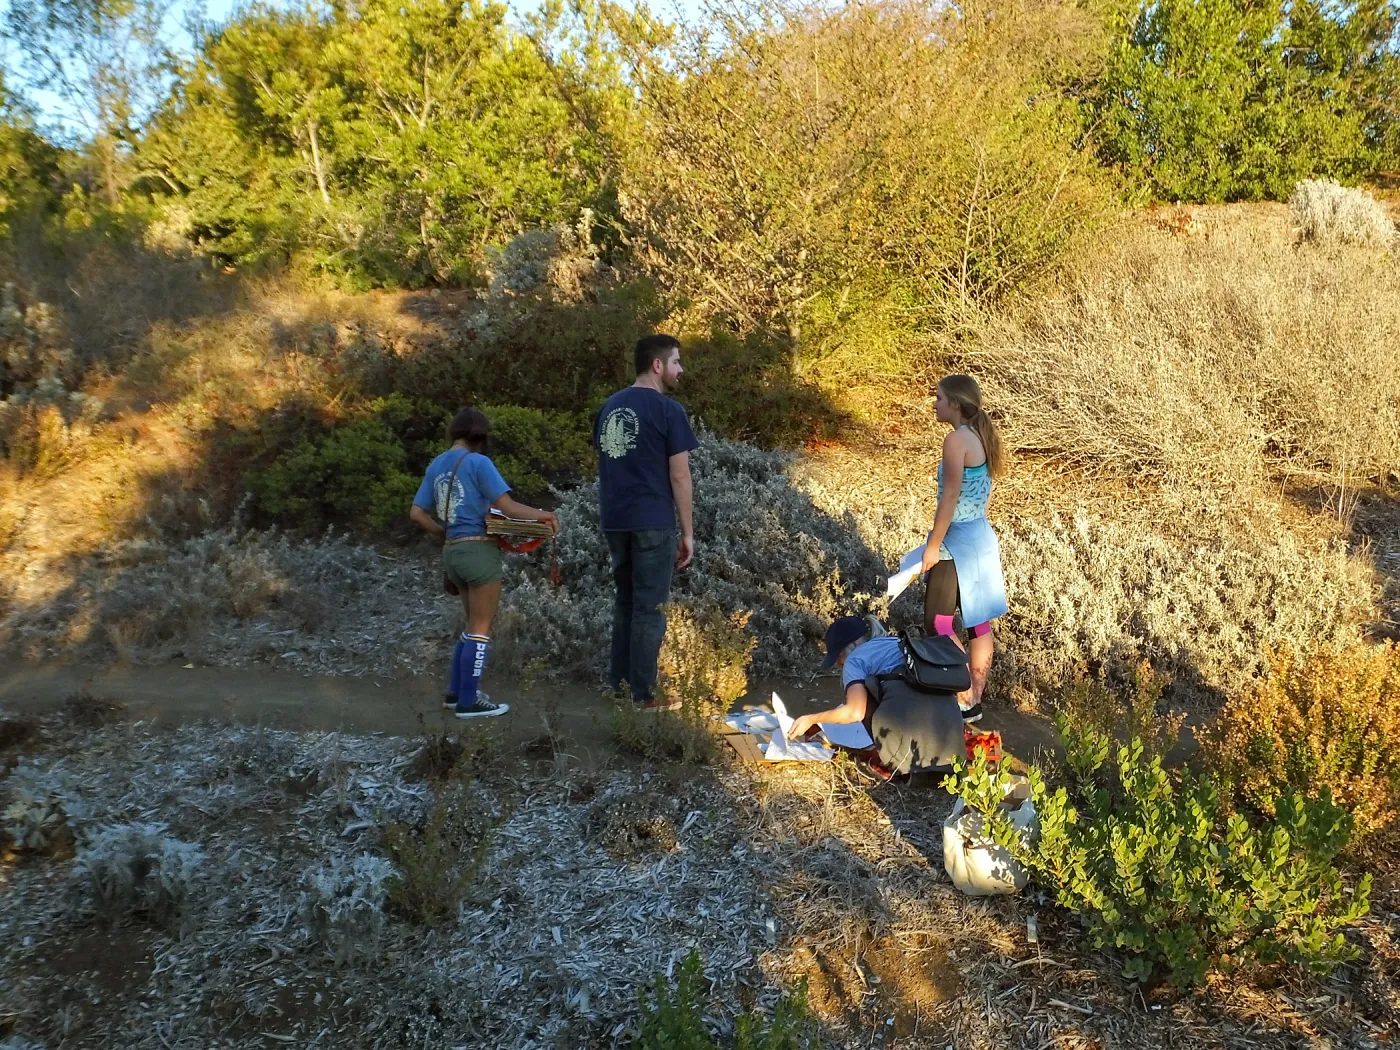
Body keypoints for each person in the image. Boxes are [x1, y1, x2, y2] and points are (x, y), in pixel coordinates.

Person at [409, 407, 559, 719]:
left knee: (470, 624)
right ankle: (468, 701)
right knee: (481, 628)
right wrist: (543, 514)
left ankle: (456, 693)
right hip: (479, 551)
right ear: (481, 435)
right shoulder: (479, 463)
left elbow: (417, 512)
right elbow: (507, 506)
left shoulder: (436, 464)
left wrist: (442, 530)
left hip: (452, 552)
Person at [595, 333, 698, 711]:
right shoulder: (669, 411)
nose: (680, 369)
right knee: (650, 608)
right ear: (658, 365)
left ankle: (618, 686)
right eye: (676, 361)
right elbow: (680, 476)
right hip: (652, 521)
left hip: (614, 519)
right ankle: (642, 695)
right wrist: (687, 532)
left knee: (625, 602)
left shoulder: (609, 407)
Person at [918, 374, 1008, 722]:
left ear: (955, 403)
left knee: (937, 622)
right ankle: (973, 699)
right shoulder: (981, 436)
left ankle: (960, 692)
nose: (935, 403)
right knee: (978, 624)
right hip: (981, 537)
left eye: (939, 398)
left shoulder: (956, 440)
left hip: (957, 541)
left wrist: (933, 545)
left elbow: (950, 497)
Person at [787, 615, 966, 778]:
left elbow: (854, 712)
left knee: (869, 691)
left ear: (854, 645)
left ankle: (894, 762)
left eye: (839, 657)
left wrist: (812, 719)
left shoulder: (855, 659)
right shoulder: (895, 642)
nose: (840, 664)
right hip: (951, 742)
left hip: (912, 757)